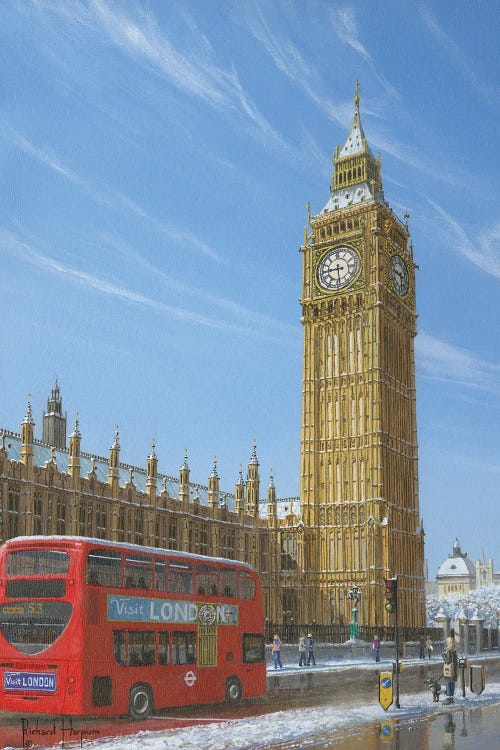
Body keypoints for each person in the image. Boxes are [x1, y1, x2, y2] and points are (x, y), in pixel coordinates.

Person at [442, 635, 458, 704]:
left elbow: (447, 661)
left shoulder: (448, 650)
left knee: (448, 683)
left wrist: (443, 655)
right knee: (452, 683)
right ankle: (451, 697)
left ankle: (448, 698)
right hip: (454, 669)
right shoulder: (454, 649)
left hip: (449, 670)